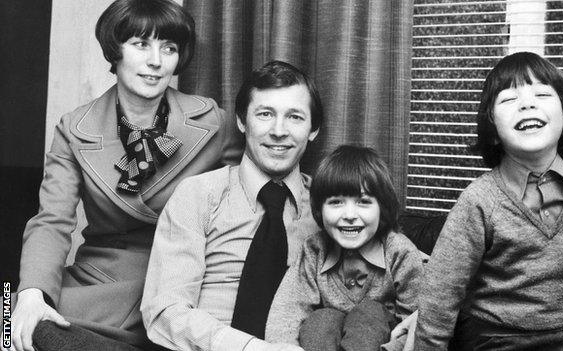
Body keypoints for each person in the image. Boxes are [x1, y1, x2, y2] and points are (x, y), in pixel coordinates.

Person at [10, 0, 242, 350]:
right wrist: (29, 294)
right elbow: (51, 220)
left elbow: (245, 205)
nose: (156, 61)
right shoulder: (75, 128)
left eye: (169, 48)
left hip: (185, 282)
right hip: (100, 282)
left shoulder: (215, 123)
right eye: (141, 44)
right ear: (114, 50)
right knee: (7, 325)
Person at [401, 52, 563, 350]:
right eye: (509, 99)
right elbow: (441, 294)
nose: (527, 103)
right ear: (493, 131)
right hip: (496, 341)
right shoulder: (479, 200)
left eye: (541, 94)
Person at [141, 60, 323, 351]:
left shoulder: (329, 208)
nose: (279, 131)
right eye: (265, 114)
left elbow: (394, 269)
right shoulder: (198, 195)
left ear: (313, 130)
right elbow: (165, 312)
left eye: (295, 118)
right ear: (241, 121)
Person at [265, 145, 425, 351]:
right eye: (336, 202)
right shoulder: (315, 249)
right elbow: (288, 311)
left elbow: (418, 320)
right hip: (326, 338)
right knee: (321, 319)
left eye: (363, 202)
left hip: (383, 340)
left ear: (382, 208)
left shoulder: (399, 252)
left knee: (370, 313)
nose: (349, 215)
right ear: (319, 209)